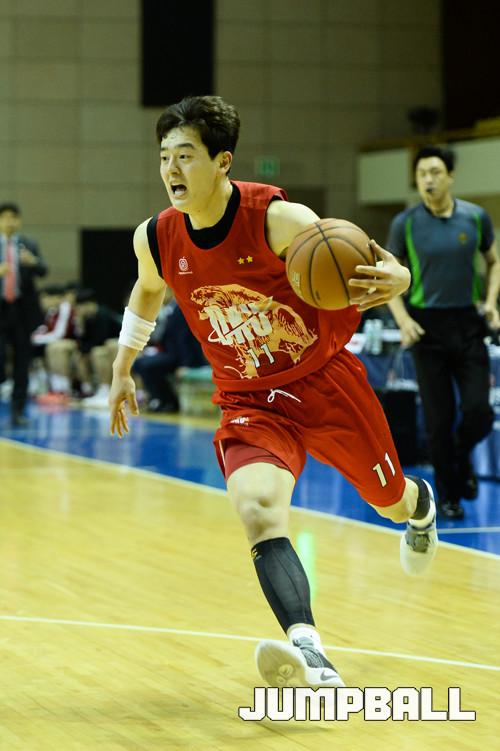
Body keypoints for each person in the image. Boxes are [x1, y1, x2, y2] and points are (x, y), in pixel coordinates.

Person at [109, 96, 438, 689]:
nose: (171, 170)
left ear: (223, 161)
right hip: (248, 400)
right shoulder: (156, 237)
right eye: (164, 157)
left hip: (323, 382)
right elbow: (148, 290)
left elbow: (372, 262)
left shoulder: (278, 219)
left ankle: (419, 505)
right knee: (258, 510)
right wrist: (122, 365)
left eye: (186, 156)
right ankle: (309, 649)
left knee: (388, 501)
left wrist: (402, 276)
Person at [386, 145, 500, 520]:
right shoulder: (405, 223)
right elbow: (388, 278)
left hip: (467, 324)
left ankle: (460, 456)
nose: (428, 180)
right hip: (427, 330)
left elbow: (494, 261)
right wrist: (403, 320)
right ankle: (450, 495)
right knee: (438, 422)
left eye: (435, 172)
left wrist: (492, 302)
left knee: (479, 412)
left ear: (450, 176)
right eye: (421, 174)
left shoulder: (475, 217)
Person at [0, 202, 48, 426]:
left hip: (21, 310)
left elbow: (43, 270)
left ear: (19, 221)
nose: (10, 222)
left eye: (13, 217)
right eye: (5, 217)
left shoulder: (28, 244)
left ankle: (18, 411)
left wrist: (33, 262)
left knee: (22, 361)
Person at [132, 291, 207, 413]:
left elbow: (185, 338)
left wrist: (186, 365)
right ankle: (159, 399)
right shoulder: (169, 309)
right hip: (171, 354)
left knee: (145, 365)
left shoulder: (180, 307)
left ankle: (168, 401)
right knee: (140, 363)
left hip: (182, 358)